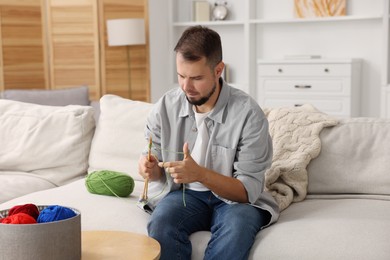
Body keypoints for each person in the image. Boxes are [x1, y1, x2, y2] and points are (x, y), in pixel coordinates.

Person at [138, 25, 279, 260]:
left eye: (197, 78)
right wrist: (147, 168)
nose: (186, 87)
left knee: (238, 227)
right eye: (181, 76)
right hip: (184, 196)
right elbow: (151, 164)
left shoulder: (249, 115)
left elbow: (247, 192)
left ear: (218, 70)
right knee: (161, 223)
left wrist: (200, 174)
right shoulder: (165, 107)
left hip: (234, 202)